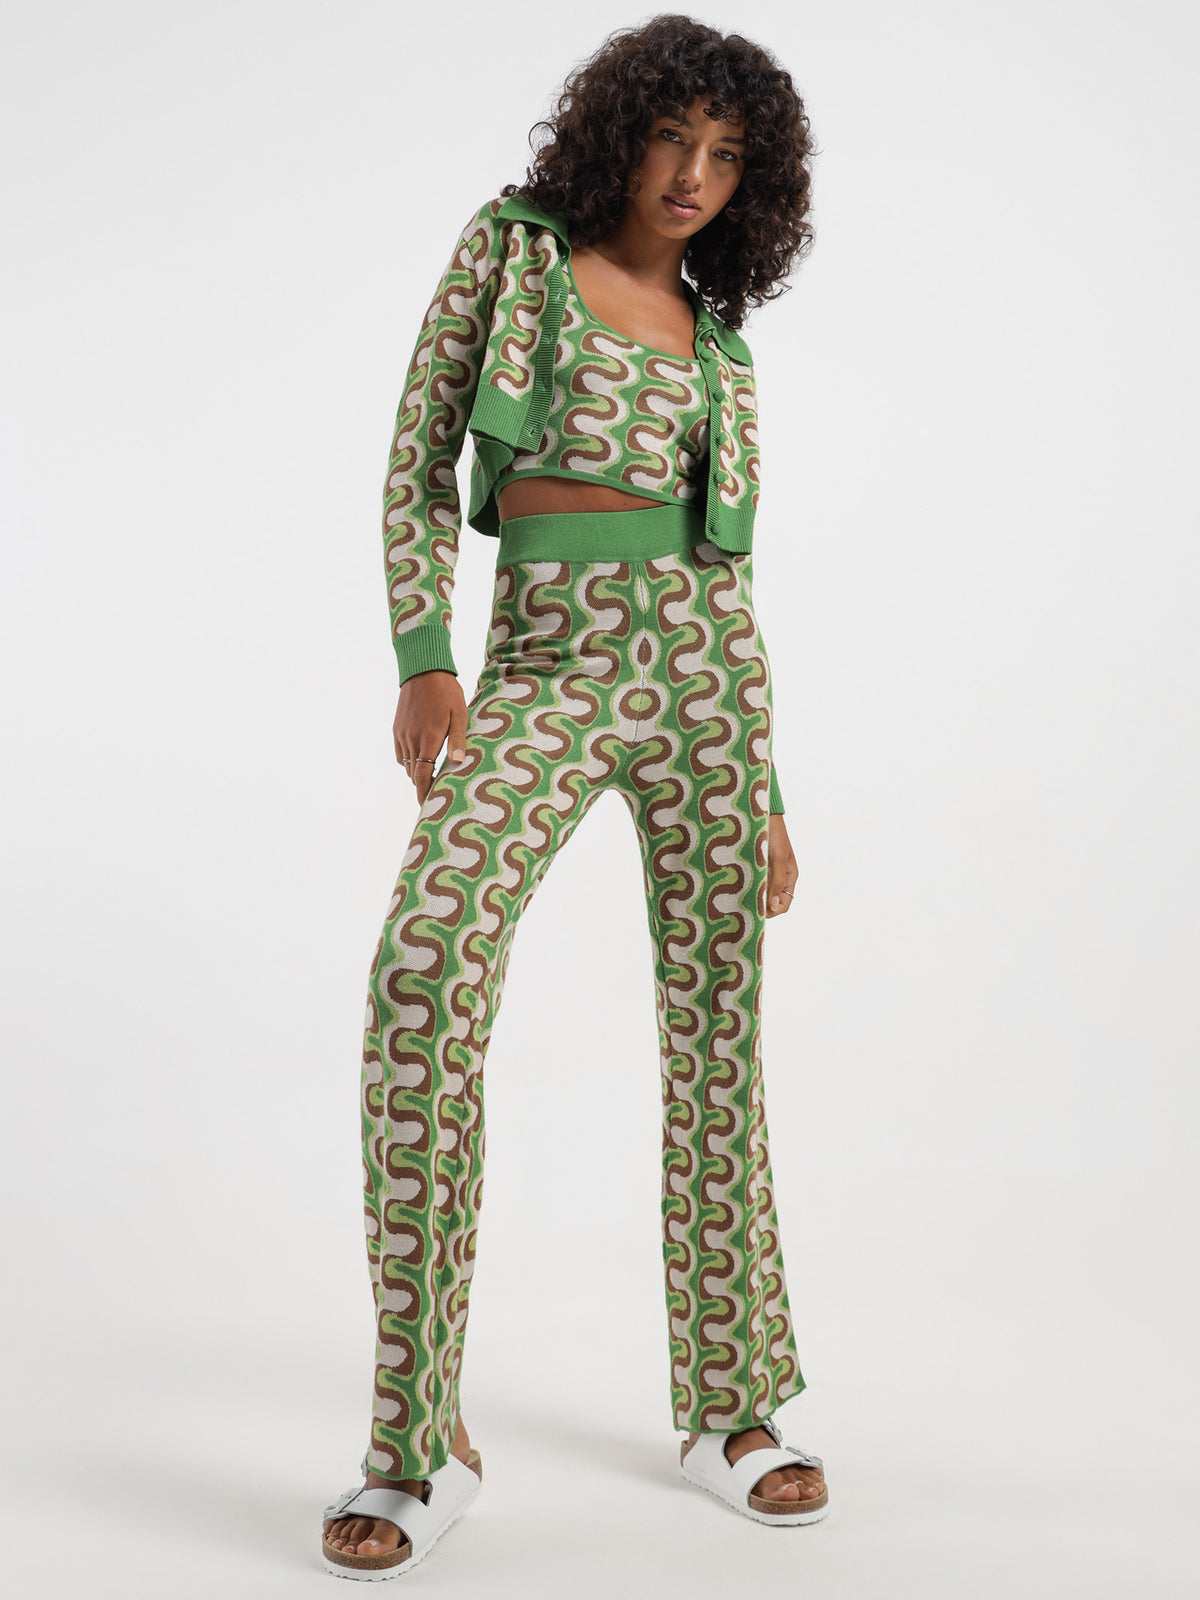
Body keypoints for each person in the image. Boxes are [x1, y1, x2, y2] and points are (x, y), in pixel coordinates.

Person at [320, 14, 828, 1580]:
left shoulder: (717, 340)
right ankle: (419, 1441)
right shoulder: (516, 253)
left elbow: (726, 577)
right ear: (621, 132)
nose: (692, 176)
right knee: (425, 968)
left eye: (726, 156)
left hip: (707, 683)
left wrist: (768, 787)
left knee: (717, 1034)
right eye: (674, 138)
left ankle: (733, 1409)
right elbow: (418, 457)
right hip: (544, 665)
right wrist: (425, 657)